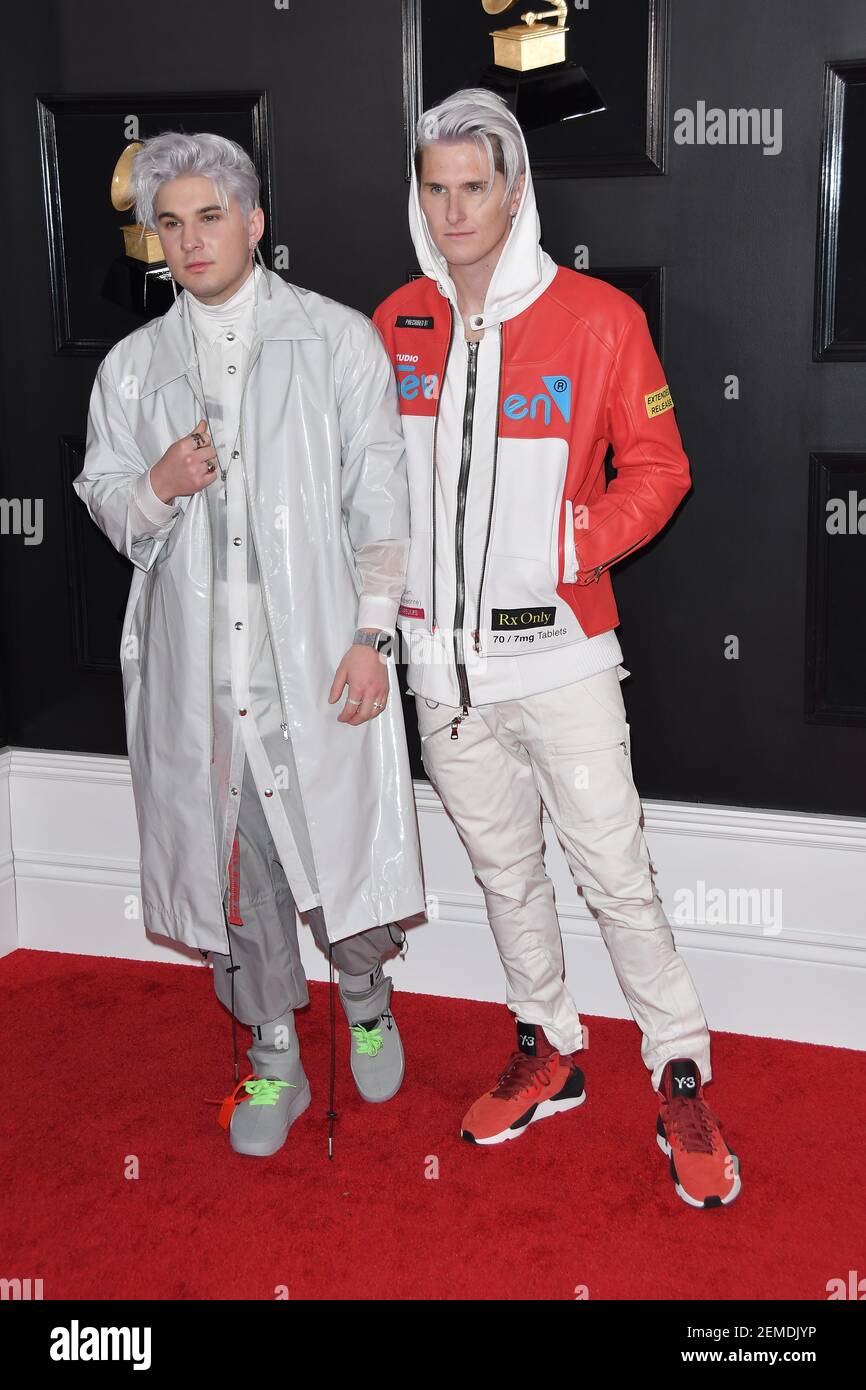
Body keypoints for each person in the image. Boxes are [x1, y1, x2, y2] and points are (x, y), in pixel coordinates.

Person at [373, 89, 740, 1207]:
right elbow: (375, 494)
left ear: (515, 186)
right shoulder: (394, 323)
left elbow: (661, 468)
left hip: (564, 659)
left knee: (615, 877)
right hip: (441, 669)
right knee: (501, 872)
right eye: (434, 188)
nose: (452, 211)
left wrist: (575, 539)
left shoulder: (595, 319)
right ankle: (548, 1046)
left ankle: (677, 1068)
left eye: (473, 187)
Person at [74, 132, 426, 1159]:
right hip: (202, 675)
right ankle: (272, 1047)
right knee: (241, 872)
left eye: (208, 216)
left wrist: (372, 633)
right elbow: (104, 496)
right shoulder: (134, 367)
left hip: (315, 662)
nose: (188, 240)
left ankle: (364, 995)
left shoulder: (335, 341)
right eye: (168, 223)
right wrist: (159, 486)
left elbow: (380, 495)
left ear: (255, 222)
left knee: (337, 846)